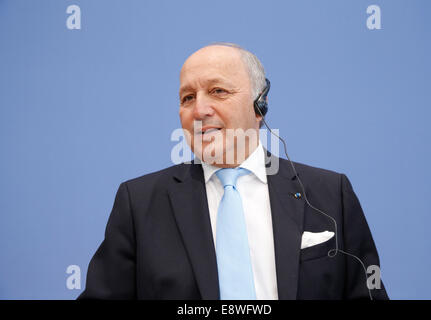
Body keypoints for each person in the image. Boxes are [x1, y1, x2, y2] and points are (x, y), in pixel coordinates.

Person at [78, 43, 388, 300]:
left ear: (259, 105)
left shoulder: (330, 193)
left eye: (218, 91)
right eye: (188, 98)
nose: (199, 110)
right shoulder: (139, 202)